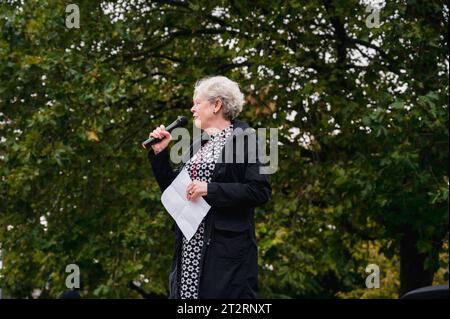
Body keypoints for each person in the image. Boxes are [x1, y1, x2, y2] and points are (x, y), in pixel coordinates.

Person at [147, 76, 271, 299]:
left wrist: (210, 189)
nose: (192, 109)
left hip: (224, 256)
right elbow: (175, 190)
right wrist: (160, 153)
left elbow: (259, 191)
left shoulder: (247, 139)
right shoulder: (198, 144)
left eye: (197, 103)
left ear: (216, 105)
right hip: (189, 250)